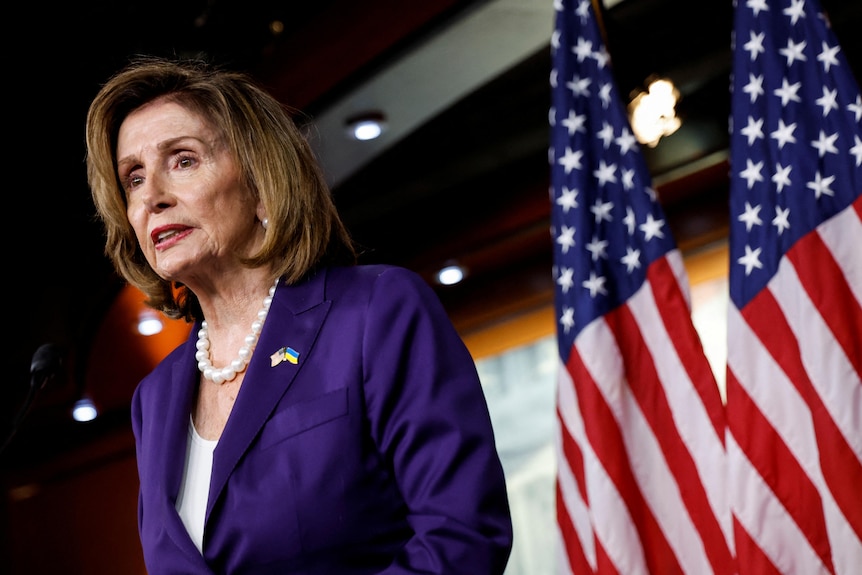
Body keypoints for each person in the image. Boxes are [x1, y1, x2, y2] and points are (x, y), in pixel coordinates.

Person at [85, 56, 513, 574]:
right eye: (133, 178)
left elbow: (462, 535)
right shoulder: (153, 400)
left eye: (182, 160)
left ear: (262, 184)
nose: (151, 196)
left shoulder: (375, 311)